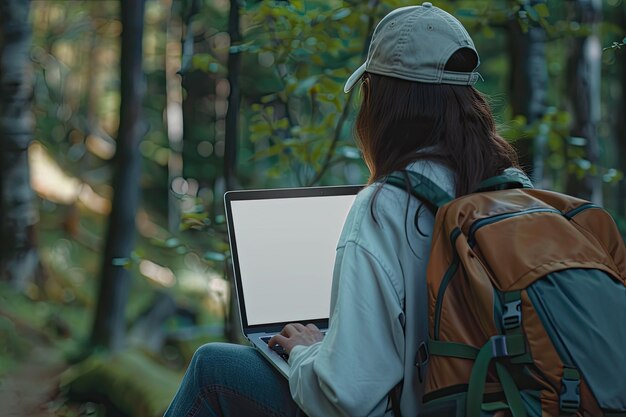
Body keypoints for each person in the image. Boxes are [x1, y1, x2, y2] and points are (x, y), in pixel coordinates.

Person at [163, 2, 519, 417]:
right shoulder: (511, 187)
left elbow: (346, 397)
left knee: (214, 369)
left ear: (380, 99)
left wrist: (307, 354)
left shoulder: (387, 207)